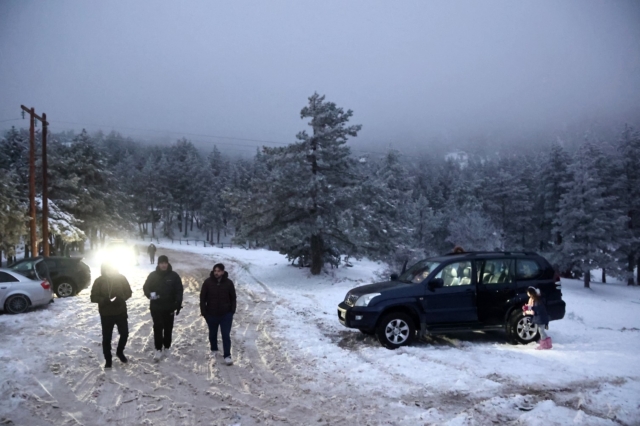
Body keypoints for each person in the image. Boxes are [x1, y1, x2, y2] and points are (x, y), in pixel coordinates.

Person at [90, 263, 133, 368]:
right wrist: (104, 300)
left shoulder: (121, 278)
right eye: (107, 270)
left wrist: (121, 299)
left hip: (120, 312)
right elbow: (93, 297)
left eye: (111, 269)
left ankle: (119, 352)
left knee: (125, 333)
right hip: (106, 314)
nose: (110, 272)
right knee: (107, 338)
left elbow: (129, 292)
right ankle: (108, 359)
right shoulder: (99, 281)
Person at [143, 255, 184, 361]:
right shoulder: (152, 275)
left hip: (169, 307)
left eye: (165, 263)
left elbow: (179, 290)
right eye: (161, 263)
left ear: (168, 263)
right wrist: (150, 295)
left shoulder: (174, 276)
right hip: (156, 306)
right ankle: (158, 349)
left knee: (168, 328)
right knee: (158, 327)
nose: (163, 265)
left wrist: (177, 303)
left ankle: (167, 347)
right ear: (158, 264)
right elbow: (146, 287)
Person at [200, 263, 236, 366]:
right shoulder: (207, 282)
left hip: (226, 314)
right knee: (212, 334)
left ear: (223, 272)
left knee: (225, 335)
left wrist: (232, 311)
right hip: (211, 314)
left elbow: (233, 298)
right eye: (215, 271)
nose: (217, 273)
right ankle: (214, 350)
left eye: (219, 271)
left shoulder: (229, 283)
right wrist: (204, 312)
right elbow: (202, 298)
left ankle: (227, 355)